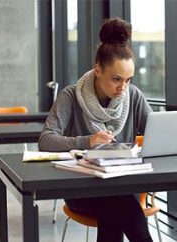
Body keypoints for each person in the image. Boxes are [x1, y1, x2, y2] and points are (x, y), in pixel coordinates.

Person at [38, 17, 153, 242]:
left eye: (129, 80)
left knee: (114, 202)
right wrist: (87, 141)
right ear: (98, 70)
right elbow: (46, 140)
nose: (123, 88)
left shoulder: (134, 96)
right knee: (117, 202)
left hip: (123, 185)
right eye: (117, 79)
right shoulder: (70, 96)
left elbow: (159, 133)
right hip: (81, 189)